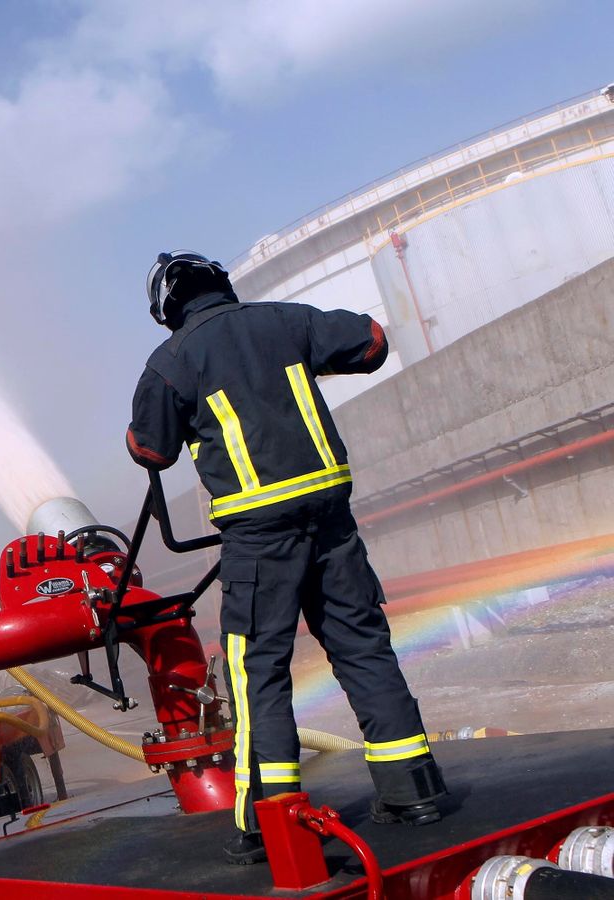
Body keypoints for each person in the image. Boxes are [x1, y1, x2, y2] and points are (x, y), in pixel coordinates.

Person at [125, 250, 447, 865]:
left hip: (257, 540)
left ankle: (271, 822)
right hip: (332, 524)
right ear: (222, 284)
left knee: (259, 670)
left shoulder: (171, 361)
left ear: (166, 309)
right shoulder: (289, 320)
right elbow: (373, 342)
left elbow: (149, 449)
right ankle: (414, 792)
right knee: (361, 645)